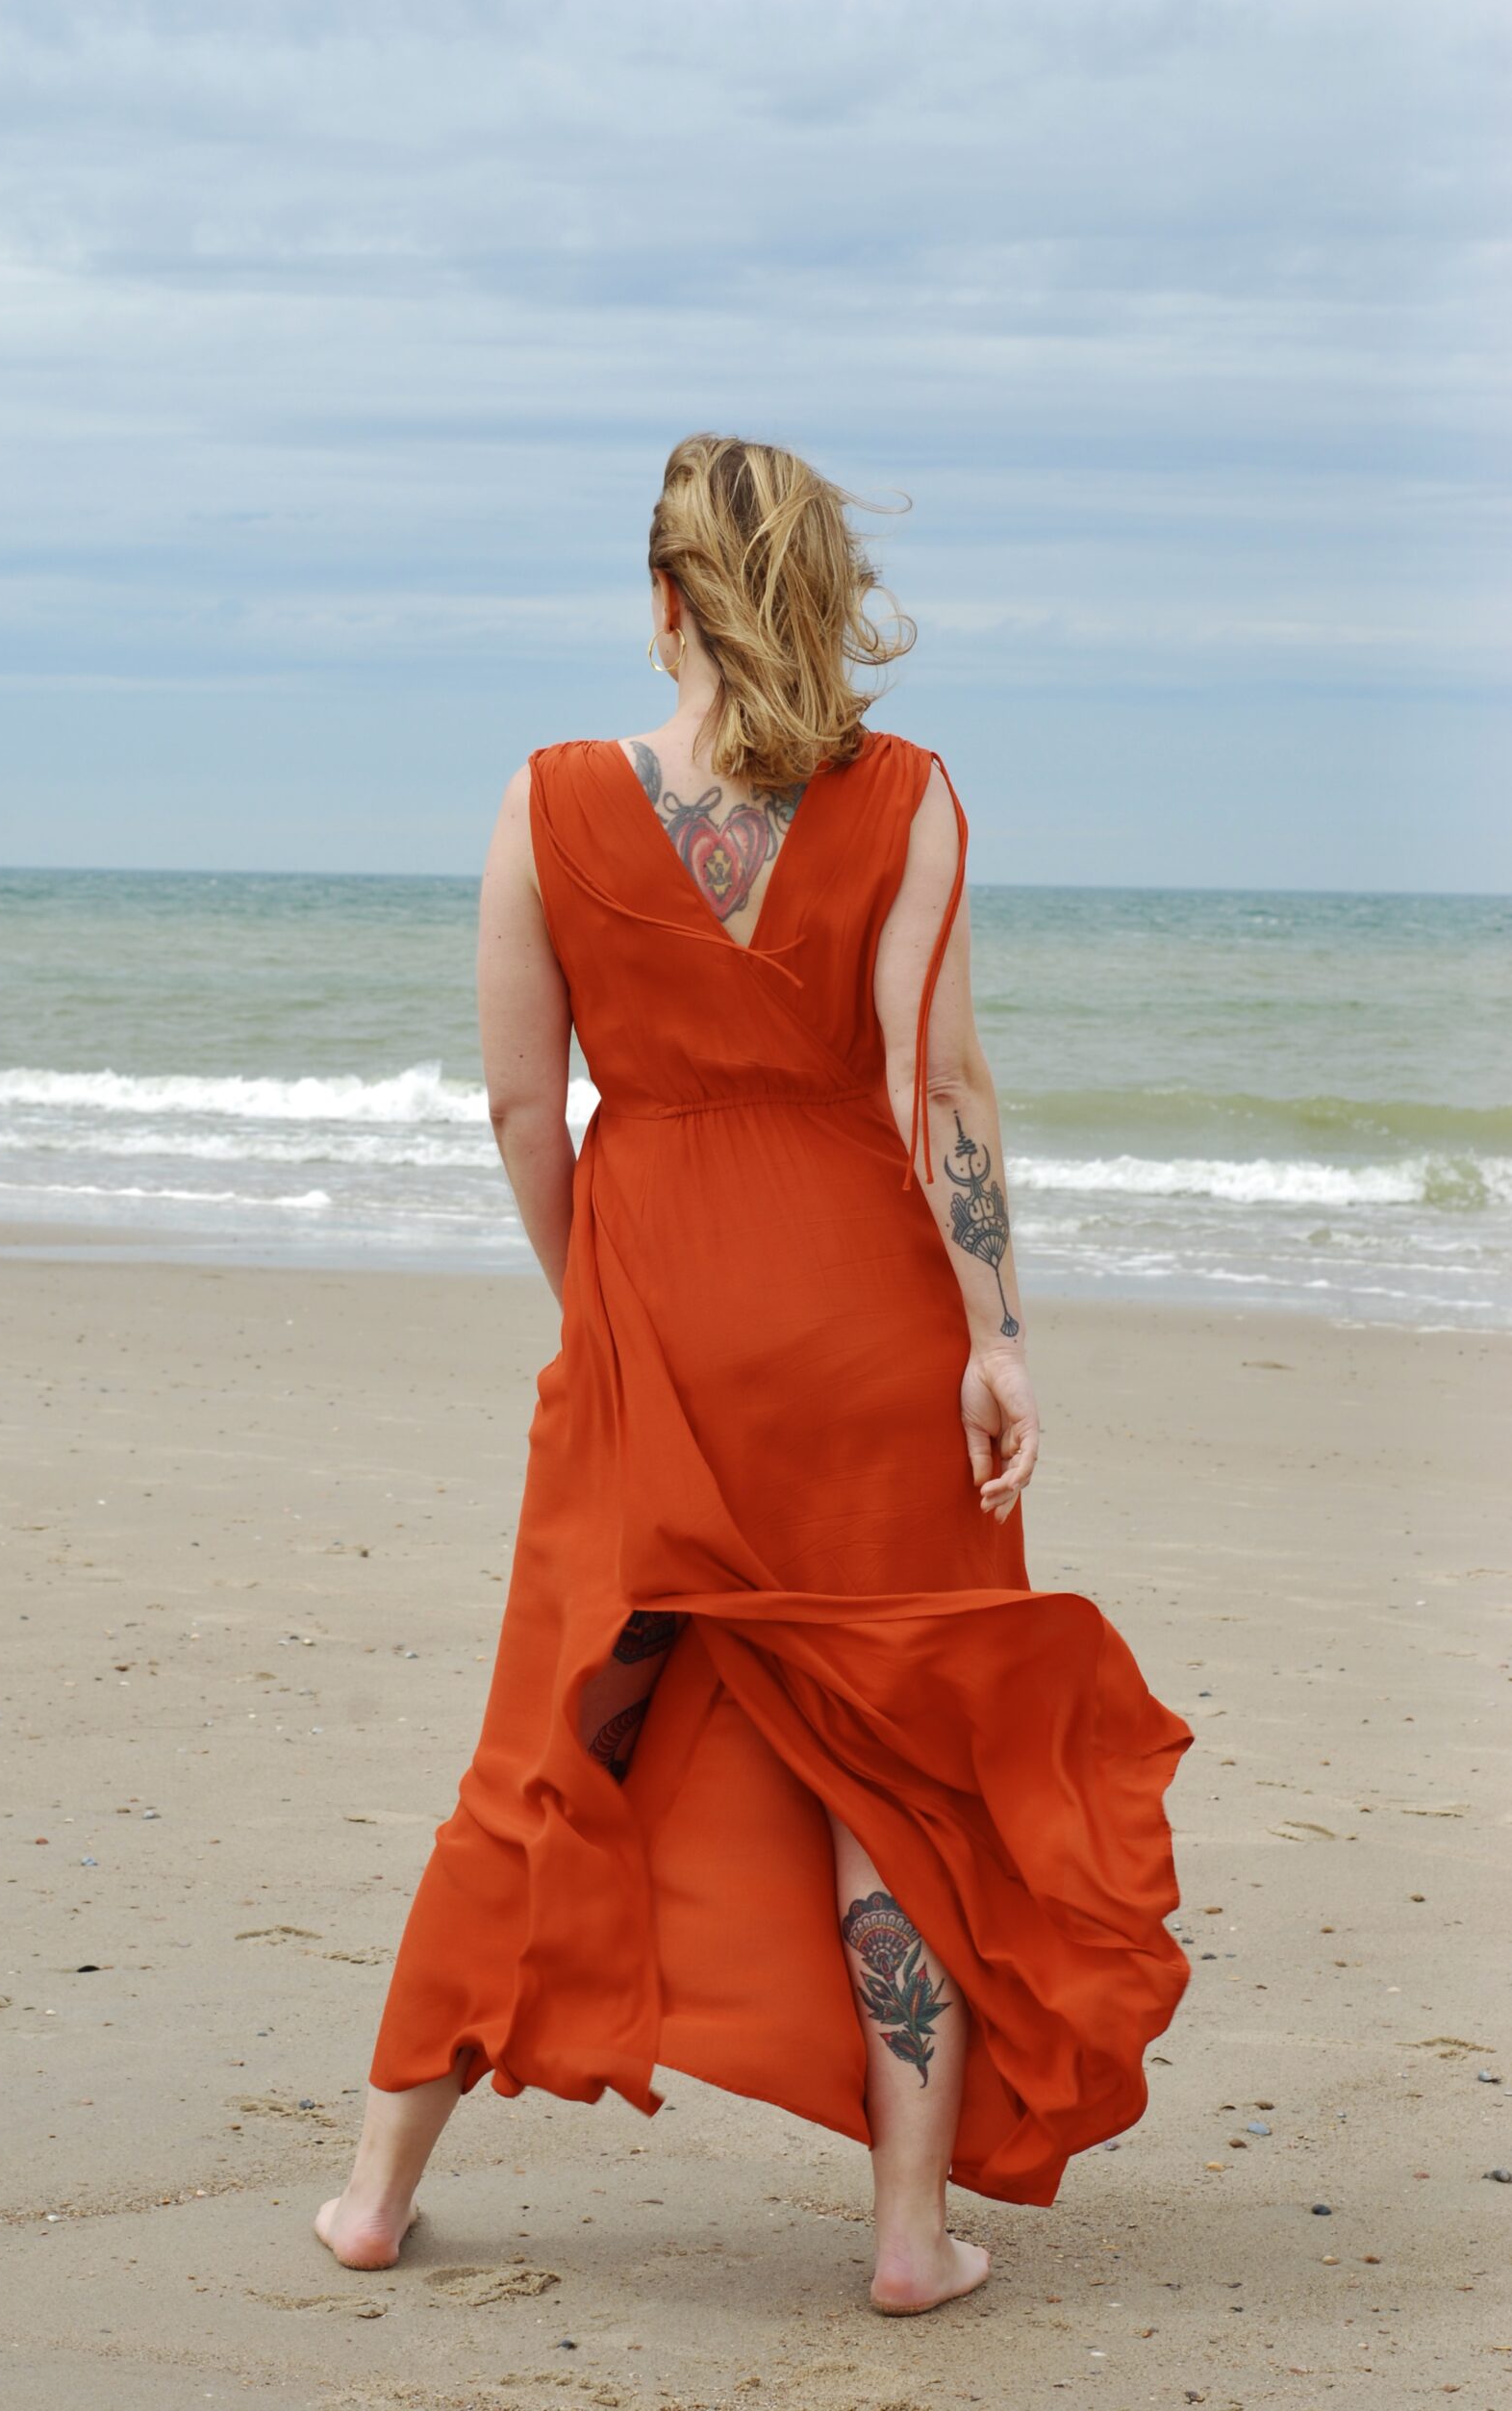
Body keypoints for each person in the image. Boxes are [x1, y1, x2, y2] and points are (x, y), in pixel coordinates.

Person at [316, 435, 1193, 2317]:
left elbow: (514, 1101)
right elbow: (934, 1087)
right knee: (896, 1765)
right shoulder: (908, 798)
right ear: (816, 597)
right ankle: (898, 2235)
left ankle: (374, 2194)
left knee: (557, 1727)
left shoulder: (551, 799)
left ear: (660, 599)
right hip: (865, 1329)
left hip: (656, 1314)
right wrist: (993, 1335)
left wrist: (598, 1303)